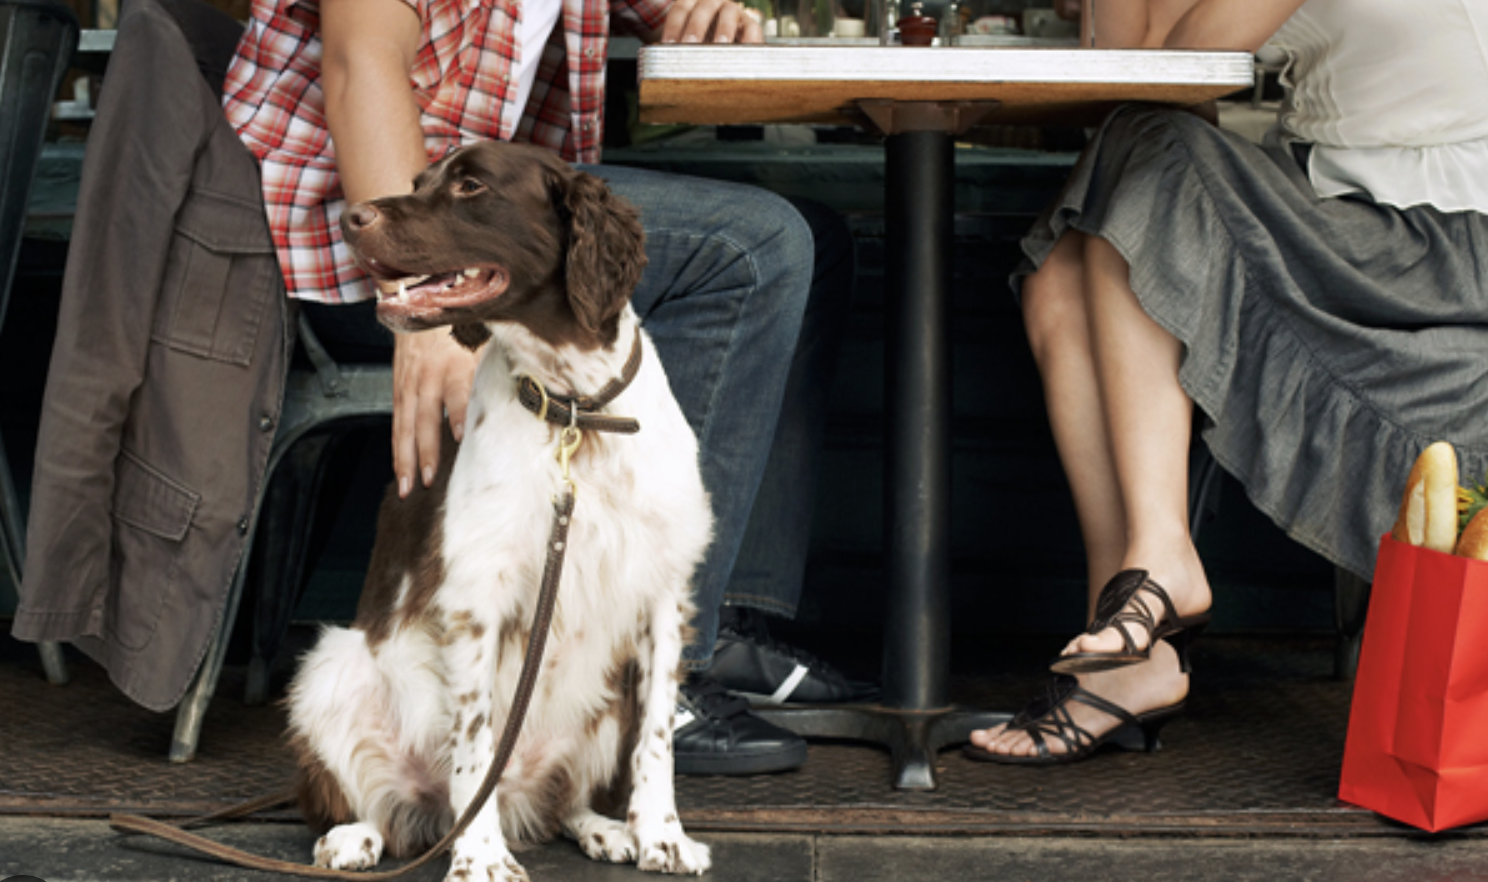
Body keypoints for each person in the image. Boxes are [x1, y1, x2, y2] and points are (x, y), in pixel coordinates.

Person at [222, 0, 873, 776]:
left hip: (487, 228)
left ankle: (721, 620)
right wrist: (425, 303)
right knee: (754, 247)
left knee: (811, 240)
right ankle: (653, 680)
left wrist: (710, 12)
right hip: (350, 235)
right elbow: (361, 64)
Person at [964, 0, 1488, 764]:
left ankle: (1157, 574)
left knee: (1149, 154)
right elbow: (1135, 68)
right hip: (1339, 211)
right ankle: (1136, 638)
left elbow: (1169, 78)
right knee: (1063, 274)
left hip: (1441, 238)